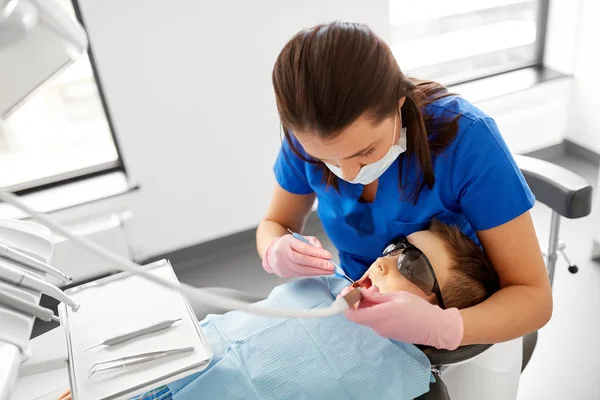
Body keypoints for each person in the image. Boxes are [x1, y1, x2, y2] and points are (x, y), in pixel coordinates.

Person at [256, 21, 552, 399]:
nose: (348, 174)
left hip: (470, 321)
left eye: (364, 152)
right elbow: (275, 223)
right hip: (361, 316)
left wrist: (443, 327)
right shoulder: (307, 137)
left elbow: (533, 299)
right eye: (324, 158)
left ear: (399, 103)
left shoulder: (467, 141)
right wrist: (275, 249)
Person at [57, 221, 500, 400]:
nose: (384, 260)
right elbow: (275, 225)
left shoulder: (405, 378)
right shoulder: (328, 282)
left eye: (413, 265)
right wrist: (279, 247)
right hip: (153, 369)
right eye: (395, 247)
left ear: (438, 310)